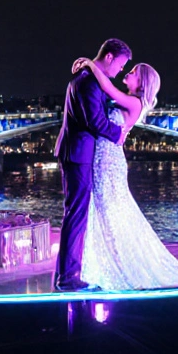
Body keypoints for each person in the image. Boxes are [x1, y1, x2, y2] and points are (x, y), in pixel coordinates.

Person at [70, 57, 178, 290]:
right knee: (105, 211)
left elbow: (108, 88)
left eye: (134, 71)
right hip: (102, 158)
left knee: (111, 212)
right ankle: (107, 263)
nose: (128, 72)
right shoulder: (127, 101)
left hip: (109, 163)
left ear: (142, 82)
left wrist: (91, 64)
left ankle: (120, 264)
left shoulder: (135, 103)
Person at [52, 38, 130, 291]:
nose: (121, 71)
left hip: (77, 153)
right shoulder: (88, 82)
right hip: (78, 154)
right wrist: (118, 133)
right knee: (76, 214)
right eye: (120, 65)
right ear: (109, 57)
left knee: (75, 214)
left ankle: (64, 274)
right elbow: (94, 120)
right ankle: (68, 278)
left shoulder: (87, 78)